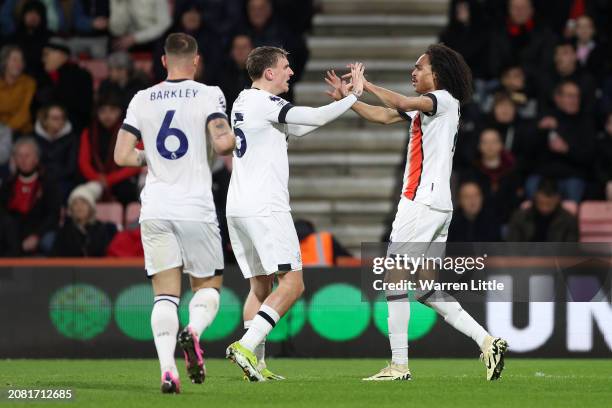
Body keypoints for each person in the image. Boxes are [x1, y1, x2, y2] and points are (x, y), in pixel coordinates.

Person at [326, 44, 507, 381]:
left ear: (436, 75)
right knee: (424, 288)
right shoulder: (431, 108)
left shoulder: (441, 99)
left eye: (419, 68)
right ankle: (487, 341)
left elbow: (403, 102)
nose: (413, 72)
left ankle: (399, 365)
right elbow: (382, 115)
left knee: (393, 277)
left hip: (421, 203)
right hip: (437, 206)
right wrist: (348, 100)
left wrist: (366, 86)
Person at [224, 46, 364, 381]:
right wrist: (354, 96)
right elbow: (312, 118)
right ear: (269, 72)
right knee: (293, 283)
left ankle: (255, 365)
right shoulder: (266, 102)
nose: (290, 72)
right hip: (265, 206)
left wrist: (338, 105)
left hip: (238, 206)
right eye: (286, 67)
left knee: (260, 286)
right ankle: (245, 346)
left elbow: (298, 128)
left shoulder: (243, 100)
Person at [113, 33, 235, 394]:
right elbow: (223, 141)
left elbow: (121, 155)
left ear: (164, 62)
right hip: (195, 207)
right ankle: (193, 331)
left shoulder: (142, 98)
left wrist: (147, 155)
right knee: (207, 286)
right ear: (195, 61)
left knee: (164, 295)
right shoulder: (209, 93)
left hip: (155, 207)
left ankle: (168, 370)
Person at [0, 137, 61, 256]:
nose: (23, 160)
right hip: (12, 232)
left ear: (36, 158)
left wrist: (37, 236)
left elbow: (53, 215)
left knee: (50, 241)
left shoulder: (47, 183)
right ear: (14, 159)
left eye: (27, 156)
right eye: (19, 156)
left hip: (39, 230)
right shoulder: (8, 184)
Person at [79, 94, 141, 205]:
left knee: (127, 192)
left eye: (112, 110)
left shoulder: (131, 131)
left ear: (120, 112)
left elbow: (136, 162)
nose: (107, 115)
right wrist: (98, 178)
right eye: (102, 111)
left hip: (121, 179)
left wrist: (109, 180)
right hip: (95, 179)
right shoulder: (89, 132)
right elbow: (83, 163)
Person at [52, 181, 118, 257]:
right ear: (71, 209)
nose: (79, 207)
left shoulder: (101, 229)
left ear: (90, 207)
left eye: (83, 203)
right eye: (75, 203)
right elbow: (55, 256)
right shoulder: (65, 230)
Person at [506, 178, 578, 242]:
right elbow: (512, 245)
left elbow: (570, 250)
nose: (545, 208)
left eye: (549, 204)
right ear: (536, 197)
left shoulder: (569, 220)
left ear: (557, 199)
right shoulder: (520, 217)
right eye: (541, 203)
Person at [0, 45, 36, 135]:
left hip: (21, 131)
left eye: (21, 60)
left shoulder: (29, 83)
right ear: (4, 62)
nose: (19, 64)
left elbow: (25, 112)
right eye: (14, 60)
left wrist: (6, 131)